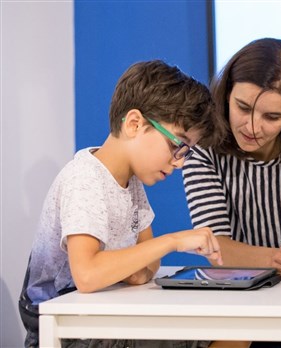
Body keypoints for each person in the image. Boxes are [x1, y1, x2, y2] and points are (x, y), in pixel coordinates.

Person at [19, 60, 223, 348]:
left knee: (230, 329)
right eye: (178, 145)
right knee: (220, 331)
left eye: (186, 152)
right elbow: (88, 275)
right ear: (134, 124)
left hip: (101, 319)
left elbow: (146, 268)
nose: (179, 163)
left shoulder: (132, 183)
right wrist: (173, 241)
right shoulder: (85, 178)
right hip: (68, 331)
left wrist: (132, 264)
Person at [182, 38, 281, 284]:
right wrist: (274, 259)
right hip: (239, 292)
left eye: (272, 116)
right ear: (227, 94)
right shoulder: (202, 143)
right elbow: (214, 245)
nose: (252, 127)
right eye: (243, 107)